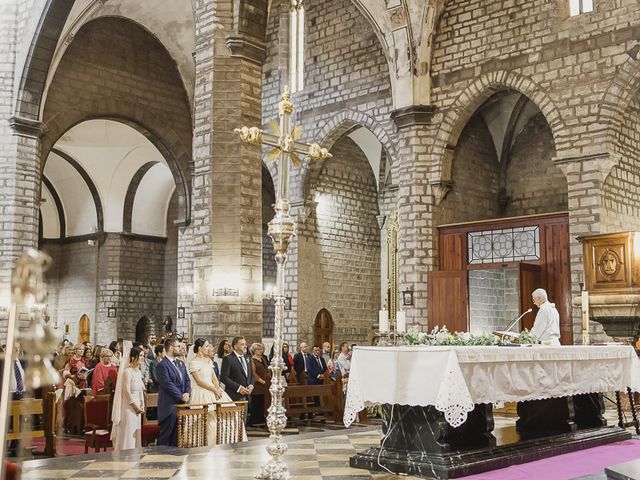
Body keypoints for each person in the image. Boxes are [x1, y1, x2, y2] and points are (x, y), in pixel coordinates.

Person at [188, 338, 244, 444]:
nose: (209, 348)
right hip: (201, 392)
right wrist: (214, 389)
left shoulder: (208, 360)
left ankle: (225, 442)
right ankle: (207, 443)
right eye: (207, 346)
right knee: (208, 421)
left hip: (214, 391)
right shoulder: (193, 362)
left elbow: (214, 378)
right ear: (200, 348)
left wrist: (218, 389)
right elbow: (199, 381)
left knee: (228, 416)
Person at [111, 342, 146, 451]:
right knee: (129, 430)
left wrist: (142, 403)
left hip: (138, 406)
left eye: (143, 356)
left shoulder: (138, 372)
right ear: (133, 357)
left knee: (136, 430)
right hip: (129, 406)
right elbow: (126, 391)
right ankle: (125, 454)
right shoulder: (127, 372)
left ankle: (135, 454)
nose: (142, 358)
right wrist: (135, 406)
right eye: (140, 356)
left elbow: (140, 389)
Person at [156, 338, 190, 446]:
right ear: (171, 348)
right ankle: (160, 460)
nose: (181, 349)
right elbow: (167, 384)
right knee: (166, 436)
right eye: (178, 346)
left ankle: (175, 460)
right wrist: (181, 396)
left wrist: (187, 393)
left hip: (181, 405)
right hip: (169, 405)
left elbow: (187, 380)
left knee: (177, 437)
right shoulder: (162, 365)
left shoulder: (180, 363)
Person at [220, 336, 254, 422]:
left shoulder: (247, 358)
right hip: (234, 395)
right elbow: (224, 377)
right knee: (235, 422)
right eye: (242, 344)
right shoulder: (228, 359)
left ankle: (243, 435)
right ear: (235, 346)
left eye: (245, 344)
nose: (245, 346)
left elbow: (251, 375)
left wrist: (251, 385)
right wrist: (238, 388)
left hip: (246, 395)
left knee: (243, 421)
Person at [249, 343, 271, 426]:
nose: (260, 351)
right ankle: (255, 421)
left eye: (261, 349)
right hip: (257, 385)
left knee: (263, 402)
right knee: (257, 403)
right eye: (258, 349)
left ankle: (261, 420)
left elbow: (266, 369)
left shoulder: (263, 359)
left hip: (265, 385)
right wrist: (262, 381)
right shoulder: (252, 360)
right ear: (254, 350)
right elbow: (253, 373)